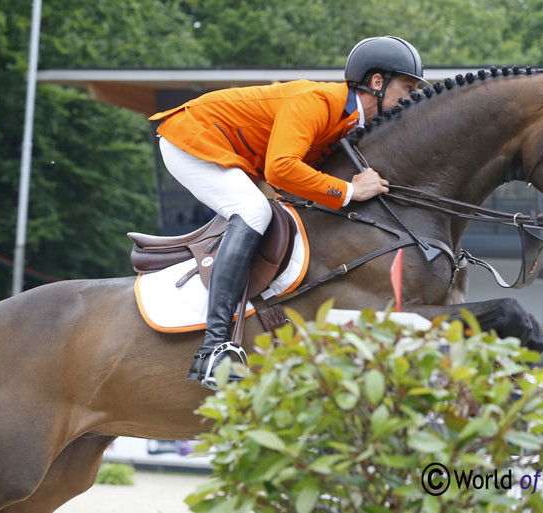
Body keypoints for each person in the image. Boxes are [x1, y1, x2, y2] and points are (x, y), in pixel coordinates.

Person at [149, 36, 425, 388]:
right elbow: (280, 170)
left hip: (232, 154)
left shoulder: (349, 121)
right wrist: (351, 190)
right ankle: (214, 348)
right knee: (253, 212)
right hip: (191, 138)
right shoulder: (317, 102)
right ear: (377, 82)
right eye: (408, 86)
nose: (412, 96)